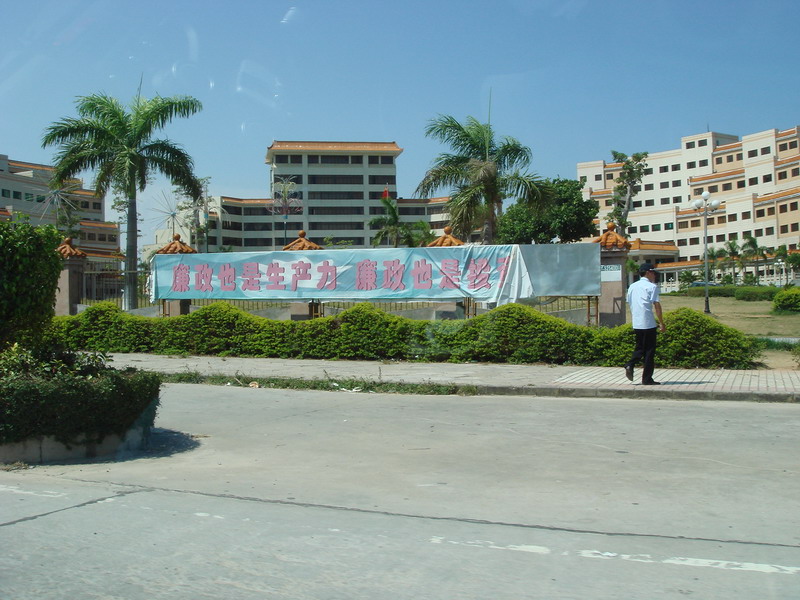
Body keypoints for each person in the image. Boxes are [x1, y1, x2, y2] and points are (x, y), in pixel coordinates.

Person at [624, 262, 666, 385]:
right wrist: (661, 323)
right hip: (648, 322)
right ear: (648, 272)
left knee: (640, 348)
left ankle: (630, 364)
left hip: (637, 322)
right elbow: (657, 305)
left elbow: (630, 302)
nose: (654, 275)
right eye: (653, 273)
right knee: (649, 351)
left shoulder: (632, 286)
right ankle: (647, 379)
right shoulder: (651, 287)